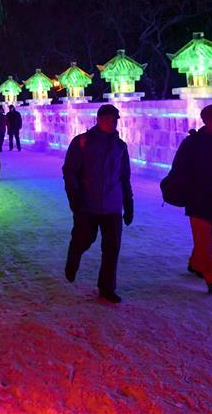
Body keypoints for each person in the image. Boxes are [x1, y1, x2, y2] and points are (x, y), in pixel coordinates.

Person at [62, 104, 134, 303]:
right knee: (84, 239)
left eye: (116, 120)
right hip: (88, 203)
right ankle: (74, 255)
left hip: (112, 205)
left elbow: (124, 177)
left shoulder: (120, 146)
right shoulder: (82, 142)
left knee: (112, 247)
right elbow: (70, 172)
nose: (114, 123)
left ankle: (106, 288)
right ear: (100, 119)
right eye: (111, 119)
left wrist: (128, 203)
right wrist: (74, 198)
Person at [165, 105, 212, 294]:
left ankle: (196, 263)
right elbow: (179, 169)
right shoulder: (193, 143)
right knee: (204, 238)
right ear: (205, 120)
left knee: (207, 236)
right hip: (197, 198)